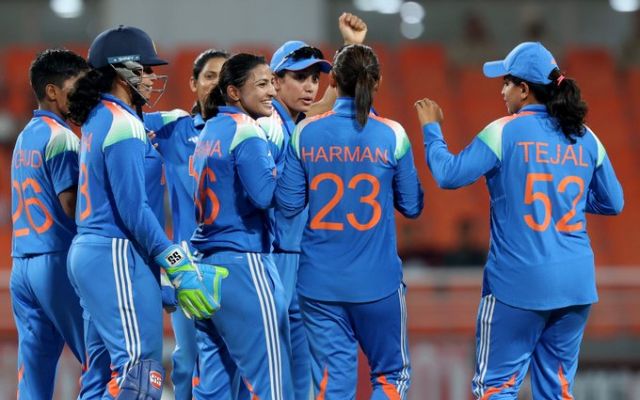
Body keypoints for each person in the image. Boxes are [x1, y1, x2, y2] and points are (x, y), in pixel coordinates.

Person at [415, 42, 624, 399]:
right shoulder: (585, 136)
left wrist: (431, 129)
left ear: (524, 89)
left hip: (517, 284)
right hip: (575, 286)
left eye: (507, 82)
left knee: (495, 388)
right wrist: (563, 199)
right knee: (557, 391)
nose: (502, 91)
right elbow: (614, 202)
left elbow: (448, 175)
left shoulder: (504, 131)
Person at [66, 25, 216, 398]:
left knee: (98, 377)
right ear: (123, 71)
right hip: (115, 252)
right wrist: (175, 262)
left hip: (94, 253)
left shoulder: (99, 118)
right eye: (145, 69)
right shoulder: (124, 124)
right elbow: (134, 211)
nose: (151, 77)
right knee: (141, 370)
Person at [276, 44, 423, 399]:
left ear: (333, 82)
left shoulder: (305, 133)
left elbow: (289, 204)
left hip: (319, 284)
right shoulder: (393, 134)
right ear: (378, 82)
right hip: (378, 283)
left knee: (333, 386)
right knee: (391, 375)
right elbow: (412, 205)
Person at [259, 12, 368, 399]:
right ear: (275, 81)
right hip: (271, 258)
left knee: (297, 372)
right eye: (299, 77)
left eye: (314, 77)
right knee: (271, 371)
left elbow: (328, 102)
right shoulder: (268, 124)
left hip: (296, 258)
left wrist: (352, 48)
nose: (309, 86)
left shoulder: (294, 121)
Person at [191, 52, 292, 399]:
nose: (272, 92)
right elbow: (266, 195)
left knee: (214, 389)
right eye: (262, 84)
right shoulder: (247, 130)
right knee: (272, 385)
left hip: (206, 268)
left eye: (272, 84)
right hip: (244, 264)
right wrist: (294, 164)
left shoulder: (210, 129)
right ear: (234, 92)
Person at [10, 48, 109, 399]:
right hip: (56, 262)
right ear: (52, 91)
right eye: (76, 85)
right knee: (100, 361)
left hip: (22, 266)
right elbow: (72, 206)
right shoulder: (63, 138)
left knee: (33, 377)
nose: (84, 94)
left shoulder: (26, 135)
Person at [144, 48, 230, 400]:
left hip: (237, 263)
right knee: (188, 362)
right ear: (193, 83)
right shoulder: (174, 127)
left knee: (237, 362)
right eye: (209, 76)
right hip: (187, 269)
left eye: (225, 77)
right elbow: (123, 117)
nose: (217, 84)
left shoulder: (252, 130)